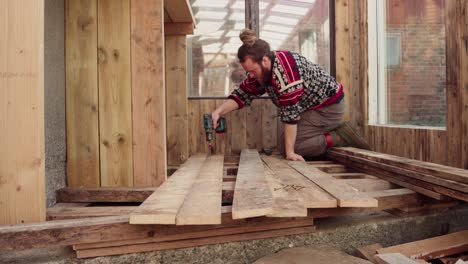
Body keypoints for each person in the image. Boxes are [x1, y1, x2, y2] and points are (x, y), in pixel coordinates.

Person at [211, 29, 369, 161]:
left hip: (329, 107)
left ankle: (340, 136)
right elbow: (243, 93)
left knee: (290, 146)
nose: (250, 76)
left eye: (252, 71)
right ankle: (325, 135)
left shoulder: (285, 77)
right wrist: (218, 112)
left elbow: (291, 117)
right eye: (248, 72)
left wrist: (290, 154)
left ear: (264, 60)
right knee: (286, 142)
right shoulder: (263, 70)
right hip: (310, 106)